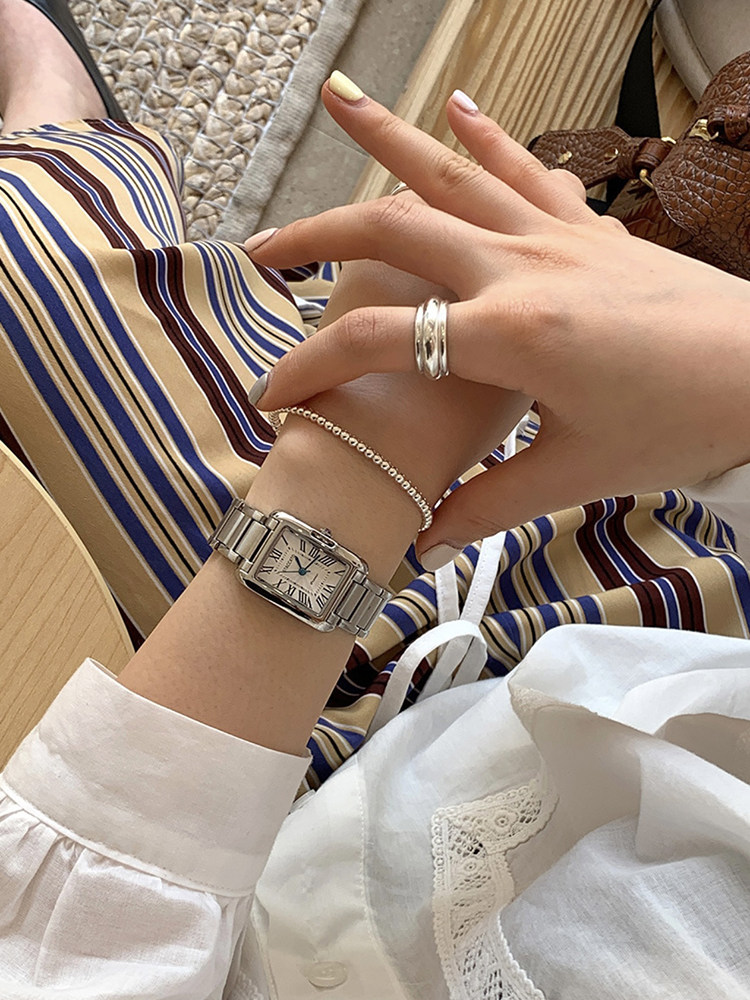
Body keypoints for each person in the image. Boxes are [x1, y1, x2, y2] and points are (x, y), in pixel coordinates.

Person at [1, 2, 750, 995]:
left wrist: (360, 467)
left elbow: (74, 952)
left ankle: (64, 145)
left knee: (36, 261)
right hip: (671, 612)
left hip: (290, 844)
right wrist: (727, 358)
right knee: (414, 303)